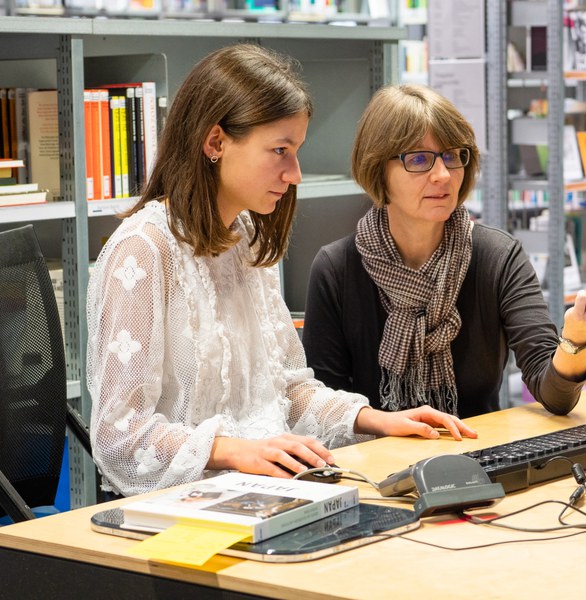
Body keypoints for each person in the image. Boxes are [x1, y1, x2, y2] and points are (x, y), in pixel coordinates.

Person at [86, 46, 475, 498]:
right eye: (280, 151)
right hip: (180, 508)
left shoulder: (245, 238)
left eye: (296, 151)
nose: (295, 174)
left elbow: (287, 392)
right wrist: (233, 451)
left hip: (263, 489)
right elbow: (119, 436)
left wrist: (377, 420)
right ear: (215, 143)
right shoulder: (142, 250)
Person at [302, 84, 586, 420]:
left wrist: (576, 337)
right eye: (418, 159)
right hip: (376, 450)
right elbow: (324, 408)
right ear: (378, 171)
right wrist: (385, 426)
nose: (443, 175)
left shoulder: (498, 257)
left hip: (478, 446)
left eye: (452, 156)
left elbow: (555, 397)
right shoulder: (337, 268)